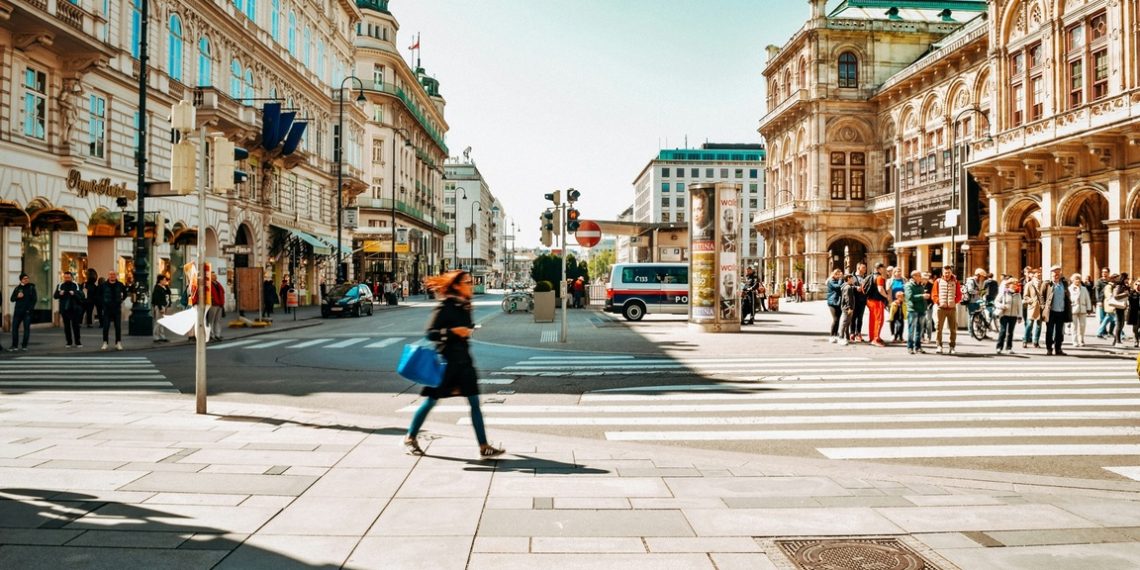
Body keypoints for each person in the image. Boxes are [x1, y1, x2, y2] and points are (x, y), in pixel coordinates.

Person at [404, 270, 504, 458]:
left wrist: (467, 329)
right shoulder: (446, 306)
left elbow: (467, 328)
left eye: (471, 282)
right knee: (431, 401)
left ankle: (483, 446)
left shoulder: (465, 305)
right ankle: (410, 437)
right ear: (457, 285)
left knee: (474, 402)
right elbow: (431, 334)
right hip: (446, 364)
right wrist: (453, 332)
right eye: (467, 282)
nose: (471, 285)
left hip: (464, 363)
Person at [1042, 265, 1072, 355]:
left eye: (1058, 272)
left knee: (1059, 332)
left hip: (1061, 311)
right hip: (1051, 312)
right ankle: (1049, 348)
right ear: (1051, 273)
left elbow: (1067, 295)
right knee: (1050, 331)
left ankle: (1058, 348)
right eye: (1054, 272)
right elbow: (1041, 296)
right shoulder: (1047, 283)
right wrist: (1043, 308)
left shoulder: (1064, 283)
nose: (1056, 274)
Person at [931, 265, 962, 354]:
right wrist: (938, 302)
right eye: (945, 272)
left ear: (951, 272)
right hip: (941, 308)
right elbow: (934, 294)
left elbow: (959, 295)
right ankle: (939, 346)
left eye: (949, 272)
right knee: (938, 328)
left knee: (953, 329)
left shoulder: (955, 282)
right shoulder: (938, 281)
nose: (947, 274)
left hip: (952, 308)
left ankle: (952, 347)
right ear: (943, 273)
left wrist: (954, 301)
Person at [54, 271, 84, 348]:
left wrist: (74, 293)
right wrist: (59, 294)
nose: (67, 279)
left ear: (71, 277)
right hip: (65, 309)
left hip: (74, 309)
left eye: (68, 277)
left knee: (76, 326)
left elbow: (81, 295)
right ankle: (69, 342)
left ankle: (78, 342)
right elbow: (55, 296)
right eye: (65, 277)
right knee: (66, 326)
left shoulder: (76, 285)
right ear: (64, 277)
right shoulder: (60, 285)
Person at [994, 278, 1023, 355]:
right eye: (1013, 283)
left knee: (1010, 333)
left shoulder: (1018, 294)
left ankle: (1009, 348)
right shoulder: (1003, 293)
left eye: (1016, 284)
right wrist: (1001, 306)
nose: (1015, 285)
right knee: (1003, 331)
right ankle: (999, 347)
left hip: (1013, 316)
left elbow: (1020, 306)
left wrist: (1020, 316)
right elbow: (996, 301)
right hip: (1004, 315)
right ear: (1009, 284)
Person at [99, 271, 128, 351]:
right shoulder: (104, 285)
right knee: (105, 326)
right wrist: (103, 302)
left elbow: (125, 293)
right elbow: (99, 294)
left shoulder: (120, 285)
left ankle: (118, 342)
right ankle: (105, 342)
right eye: (111, 274)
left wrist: (121, 300)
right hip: (107, 308)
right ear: (108, 275)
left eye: (114, 275)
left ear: (116, 276)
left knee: (118, 326)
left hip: (116, 308)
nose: (112, 276)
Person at [10, 273, 37, 351]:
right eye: (25, 278)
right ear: (21, 280)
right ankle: (14, 345)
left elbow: (34, 300)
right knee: (14, 328)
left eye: (27, 278)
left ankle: (24, 345)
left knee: (26, 329)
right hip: (18, 312)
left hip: (27, 312)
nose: (26, 280)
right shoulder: (17, 288)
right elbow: (12, 299)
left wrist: (30, 309)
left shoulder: (31, 288)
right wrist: (17, 296)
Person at [904, 270, 929, 354]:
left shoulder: (921, 285)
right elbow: (910, 297)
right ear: (914, 276)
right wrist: (922, 296)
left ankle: (918, 347)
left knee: (920, 329)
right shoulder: (908, 285)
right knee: (912, 329)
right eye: (919, 275)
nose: (920, 277)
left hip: (921, 309)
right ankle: (910, 347)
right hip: (913, 310)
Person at [865, 263, 890, 347]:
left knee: (872, 319)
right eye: (883, 268)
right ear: (879, 269)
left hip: (869, 300)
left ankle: (872, 337)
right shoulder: (879, 278)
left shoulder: (869, 276)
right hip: (877, 301)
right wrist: (886, 296)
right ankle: (876, 339)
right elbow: (880, 289)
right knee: (879, 320)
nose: (884, 270)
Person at [1022, 267, 1043, 349]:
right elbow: (1025, 296)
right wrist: (1032, 301)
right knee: (1029, 324)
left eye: (1040, 273)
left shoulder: (1043, 284)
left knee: (1039, 325)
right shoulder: (1029, 284)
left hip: (1041, 307)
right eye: (1038, 273)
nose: (1039, 274)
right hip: (1032, 307)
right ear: (1033, 275)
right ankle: (1025, 340)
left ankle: (1036, 342)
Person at [1069, 273, 1092, 347]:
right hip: (1073, 309)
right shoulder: (1069, 289)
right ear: (1072, 280)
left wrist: (1089, 308)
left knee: (1082, 326)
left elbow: (1087, 299)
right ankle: (1074, 341)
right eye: (1076, 279)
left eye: (1079, 279)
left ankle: (1081, 339)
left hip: (1082, 309)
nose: (1077, 280)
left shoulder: (1084, 288)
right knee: (1074, 326)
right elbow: (1068, 299)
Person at [1108, 273, 1131, 347]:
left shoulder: (1124, 286)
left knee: (1121, 324)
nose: (1128, 280)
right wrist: (1125, 294)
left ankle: (1115, 341)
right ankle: (1118, 342)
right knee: (1119, 324)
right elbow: (1116, 296)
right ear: (1123, 279)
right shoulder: (1118, 286)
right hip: (1118, 307)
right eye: (1127, 278)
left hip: (1122, 307)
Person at [850, 262, 869, 342]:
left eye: (865, 267)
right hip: (854, 300)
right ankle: (852, 333)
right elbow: (846, 286)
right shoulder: (852, 277)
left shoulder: (866, 277)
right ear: (858, 268)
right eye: (863, 267)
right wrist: (855, 287)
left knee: (860, 318)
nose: (865, 269)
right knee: (853, 317)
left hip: (862, 300)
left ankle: (858, 334)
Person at [837, 274, 857, 346]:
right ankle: (841, 338)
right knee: (844, 322)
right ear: (848, 278)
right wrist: (850, 308)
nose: (853, 280)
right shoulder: (847, 287)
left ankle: (847, 337)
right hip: (847, 308)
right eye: (852, 279)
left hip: (847, 307)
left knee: (847, 323)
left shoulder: (846, 286)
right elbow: (847, 298)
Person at [1095, 267, 1114, 339]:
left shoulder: (1111, 281)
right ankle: (1103, 332)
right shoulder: (1099, 281)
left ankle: (1110, 332)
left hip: (1109, 302)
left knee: (1111, 317)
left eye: (1105, 272)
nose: (1104, 273)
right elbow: (1097, 292)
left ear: (1108, 273)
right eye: (1103, 272)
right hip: (1102, 302)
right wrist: (1099, 301)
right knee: (1102, 317)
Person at [152, 275, 172, 343]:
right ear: (160, 280)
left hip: (165, 306)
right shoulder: (157, 288)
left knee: (162, 322)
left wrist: (166, 286)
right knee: (158, 321)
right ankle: (156, 337)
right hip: (160, 306)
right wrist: (160, 308)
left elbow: (169, 293)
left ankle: (162, 336)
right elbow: (157, 299)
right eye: (164, 280)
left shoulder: (164, 287)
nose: (165, 281)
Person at [825, 268, 843, 341]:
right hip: (832, 302)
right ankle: (831, 336)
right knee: (835, 319)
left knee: (838, 319)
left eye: (839, 274)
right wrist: (841, 279)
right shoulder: (831, 281)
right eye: (837, 274)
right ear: (833, 274)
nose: (838, 276)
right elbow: (838, 287)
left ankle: (835, 335)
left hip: (838, 301)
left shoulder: (837, 280)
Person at [208, 271, 225, 341]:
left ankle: (217, 334)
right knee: (211, 320)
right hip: (213, 304)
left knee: (218, 320)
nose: (215, 276)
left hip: (219, 304)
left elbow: (222, 292)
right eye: (213, 275)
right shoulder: (209, 284)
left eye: (215, 275)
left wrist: (222, 303)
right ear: (210, 277)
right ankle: (211, 335)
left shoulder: (218, 284)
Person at [1128, 278, 1140, 348]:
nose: (1138, 286)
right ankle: (1136, 341)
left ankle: (1137, 339)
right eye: (1136, 284)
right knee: (1135, 329)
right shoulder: (1132, 293)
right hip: (1135, 313)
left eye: (1139, 285)